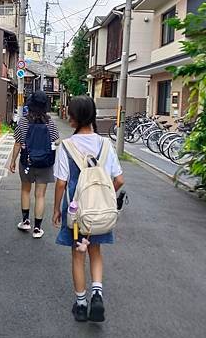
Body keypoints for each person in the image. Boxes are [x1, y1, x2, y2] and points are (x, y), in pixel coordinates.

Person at [52, 95, 124, 323]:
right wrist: (105, 197)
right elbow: (120, 180)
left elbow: (62, 183)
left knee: (77, 254)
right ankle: (97, 294)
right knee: (95, 252)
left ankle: (81, 305)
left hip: (76, 215)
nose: (69, 117)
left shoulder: (67, 146)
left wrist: (56, 210)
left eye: (70, 113)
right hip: (100, 214)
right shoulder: (105, 145)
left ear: (75, 117)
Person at [9, 90, 60, 239]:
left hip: (27, 162)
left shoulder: (23, 122)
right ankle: (37, 229)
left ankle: (25, 221)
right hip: (45, 163)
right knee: (40, 195)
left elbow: (18, 143)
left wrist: (13, 161)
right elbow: (56, 141)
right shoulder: (50, 122)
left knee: (25, 190)